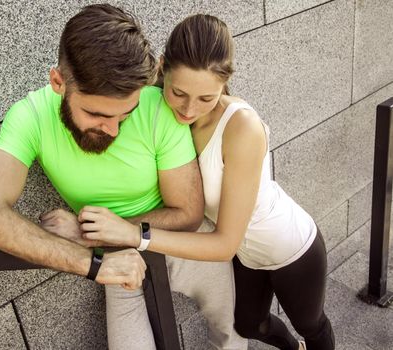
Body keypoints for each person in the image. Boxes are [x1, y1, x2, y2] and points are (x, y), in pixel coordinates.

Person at [0, 5, 246, 350]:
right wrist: (92, 259)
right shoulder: (30, 117)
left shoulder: (158, 107)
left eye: (124, 115)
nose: (112, 130)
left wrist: (90, 233)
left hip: (183, 246)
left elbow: (187, 213)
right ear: (58, 82)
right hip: (115, 257)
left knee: (232, 335)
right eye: (96, 114)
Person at [79, 14, 335, 350]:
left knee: (311, 324)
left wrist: (135, 235)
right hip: (247, 258)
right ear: (161, 69)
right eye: (179, 92)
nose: (187, 109)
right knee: (249, 325)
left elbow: (225, 243)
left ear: (224, 84)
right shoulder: (154, 107)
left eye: (206, 99)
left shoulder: (242, 128)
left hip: (291, 248)